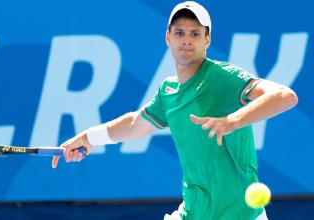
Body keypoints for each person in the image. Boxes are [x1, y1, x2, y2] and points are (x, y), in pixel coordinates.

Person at [51, 1, 298, 219]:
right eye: (180, 32)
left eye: (195, 33)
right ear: (168, 37)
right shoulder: (168, 91)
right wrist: (88, 137)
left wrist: (232, 121)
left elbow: (285, 96)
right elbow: (135, 125)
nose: (187, 39)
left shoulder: (222, 77)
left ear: (207, 39)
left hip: (240, 215)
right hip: (195, 212)